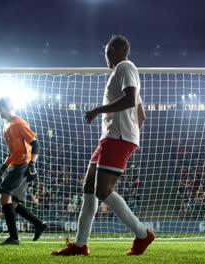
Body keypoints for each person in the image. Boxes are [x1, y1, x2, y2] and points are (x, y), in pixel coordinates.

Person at [52, 35, 154, 256]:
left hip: (117, 138)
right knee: (89, 188)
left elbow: (129, 100)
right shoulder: (124, 72)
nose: (105, 55)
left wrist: (99, 111)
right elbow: (141, 114)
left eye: (108, 51)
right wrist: (131, 134)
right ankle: (80, 245)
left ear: (117, 50)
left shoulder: (125, 67)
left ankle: (143, 234)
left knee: (102, 190)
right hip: (111, 137)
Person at [0, 97, 47, 245]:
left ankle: (14, 238)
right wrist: (2, 169)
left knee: (4, 197)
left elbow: (35, 144)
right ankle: (38, 224)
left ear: (7, 107)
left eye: (0, 108)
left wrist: (32, 165)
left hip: (23, 165)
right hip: (16, 165)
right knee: (12, 204)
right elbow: (12, 153)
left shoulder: (19, 123)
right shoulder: (6, 127)